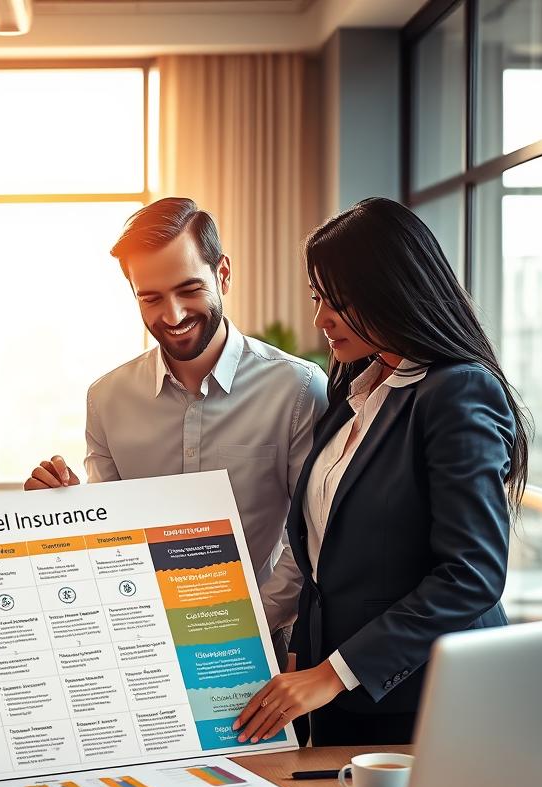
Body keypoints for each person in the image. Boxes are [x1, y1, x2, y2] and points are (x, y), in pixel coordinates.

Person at [233, 197, 528, 747]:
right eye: (319, 297)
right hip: (341, 700)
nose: (321, 319)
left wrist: (331, 673)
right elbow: (325, 552)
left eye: (340, 302)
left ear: (392, 293)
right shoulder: (354, 390)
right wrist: (306, 659)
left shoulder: (457, 391)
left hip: (429, 702)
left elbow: (472, 574)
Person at [24, 198, 328, 664]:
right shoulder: (106, 399)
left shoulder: (298, 388)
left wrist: (247, 624)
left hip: (258, 641)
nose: (172, 315)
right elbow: (113, 533)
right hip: (139, 645)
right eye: (151, 298)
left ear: (222, 274)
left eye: (189, 289)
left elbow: (310, 535)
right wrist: (67, 508)